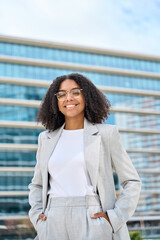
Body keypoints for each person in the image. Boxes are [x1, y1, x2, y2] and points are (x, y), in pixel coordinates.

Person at [28, 73, 141, 240]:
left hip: (93, 217)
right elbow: (37, 184)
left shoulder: (107, 134)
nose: (68, 98)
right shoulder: (45, 138)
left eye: (75, 92)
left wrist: (114, 218)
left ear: (86, 96)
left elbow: (132, 182)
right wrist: (37, 216)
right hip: (52, 220)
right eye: (62, 94)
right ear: (55, 101)